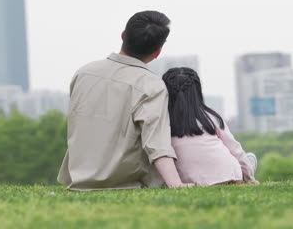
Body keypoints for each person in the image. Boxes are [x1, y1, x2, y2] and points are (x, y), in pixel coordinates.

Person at [57, 11, 192, 190]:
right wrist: (176, 184)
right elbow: (157, 143)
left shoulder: (83, 73)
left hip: (78, 180)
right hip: (123, 183)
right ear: (157, 52)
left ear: (123, 35)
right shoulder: (150, 84)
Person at [162, 67, 259, 186]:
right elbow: (235, 150)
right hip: (229, 176)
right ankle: (248, 169)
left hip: (189, 180)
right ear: (197, 92)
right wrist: (249, 178)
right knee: (249, 158)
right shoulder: (210, 118)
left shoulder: (162, 122)